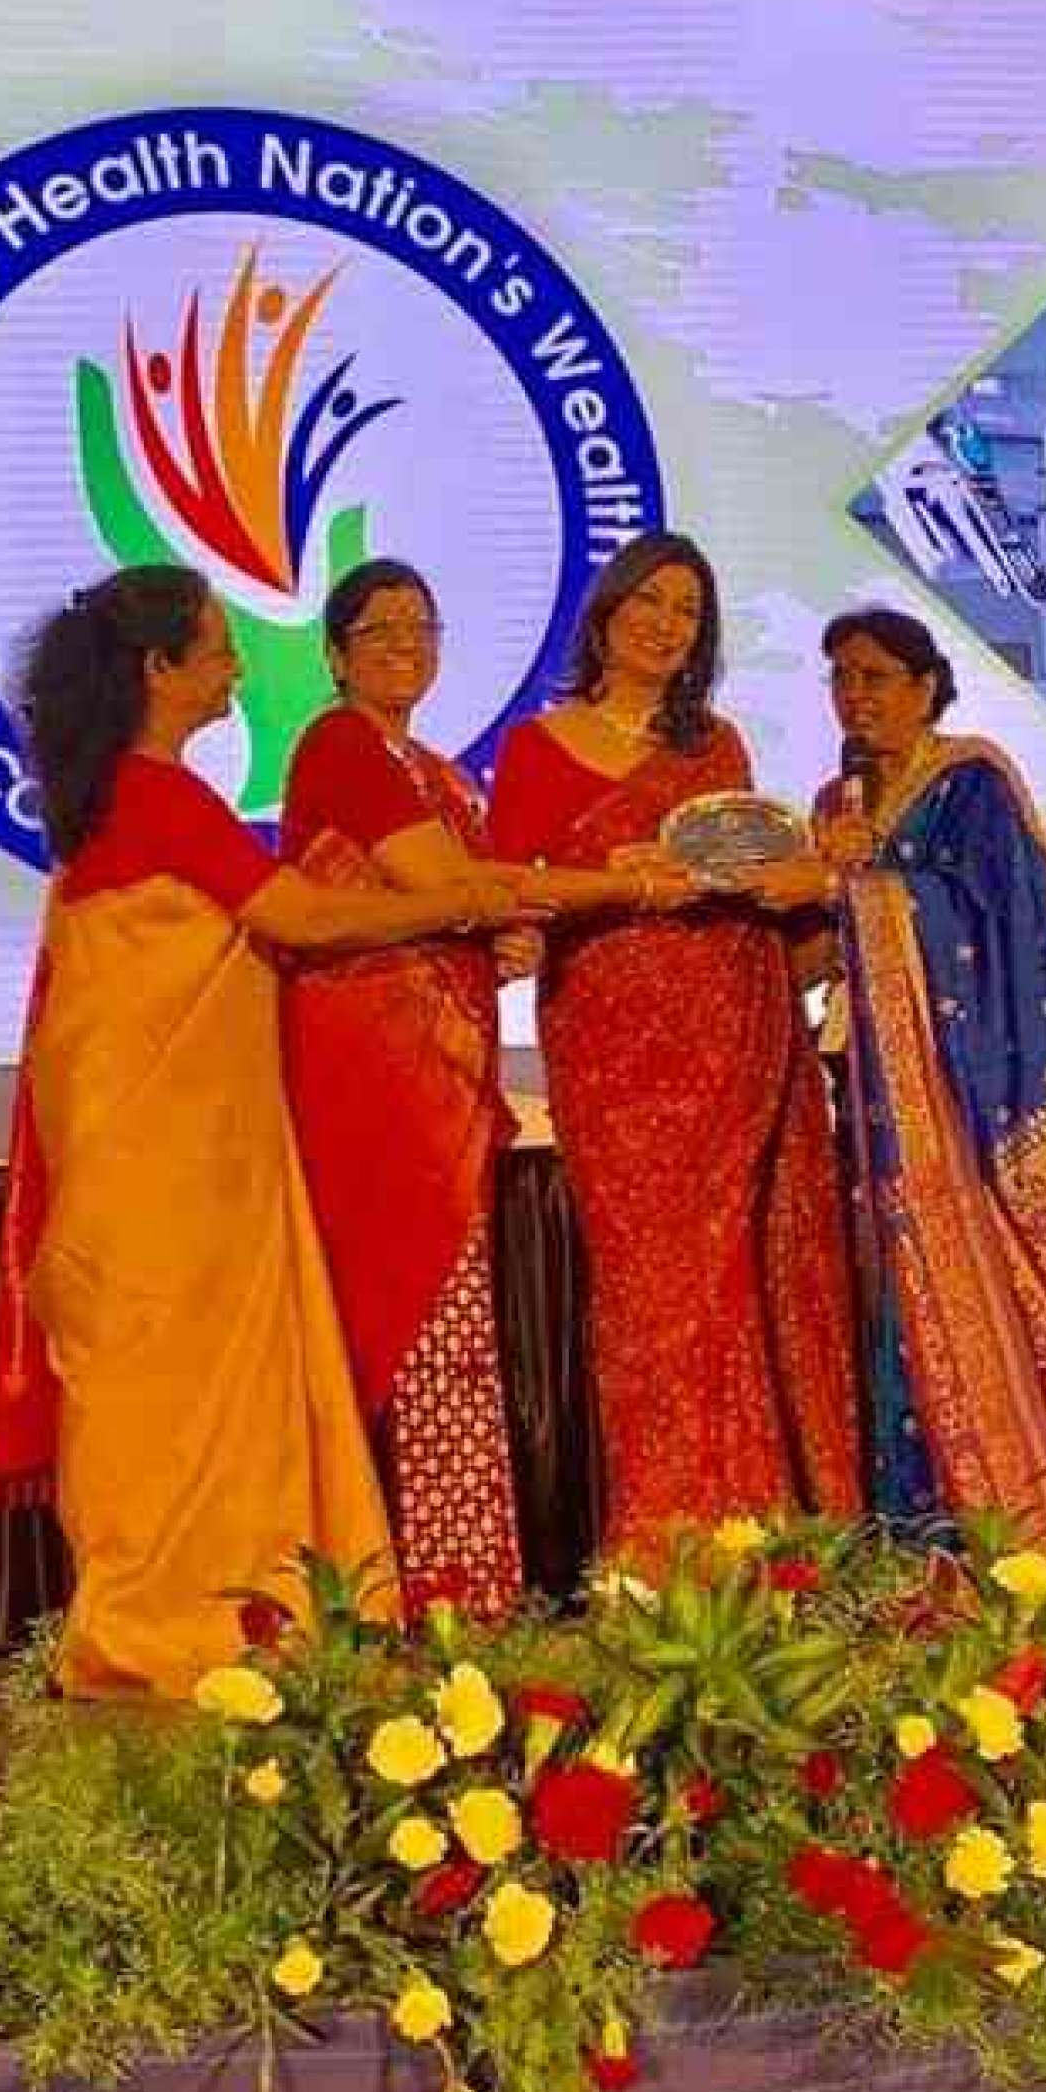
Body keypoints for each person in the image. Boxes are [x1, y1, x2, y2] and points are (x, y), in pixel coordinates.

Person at [0, 567, 523, 1698]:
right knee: (180, 1393)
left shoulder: (129, 796)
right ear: (158, 671)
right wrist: (466, 900)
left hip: (165, 1158)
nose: (234, 668)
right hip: (170, 1165)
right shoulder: (157, 798)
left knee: (171, 1390)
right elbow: (303, 920)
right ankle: (180, 1624)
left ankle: (201, 1609)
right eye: (219, 650)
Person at [281, 558, 689, 1619]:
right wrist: (624, 883)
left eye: (422, 627)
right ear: (334, 654)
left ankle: (460, 1589)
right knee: (400, 1310)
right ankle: (390, 1592)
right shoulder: (341, 744)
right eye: (379, 629)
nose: (404, 645)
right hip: (368, 1070)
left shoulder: (439, 772)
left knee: (449, 1327)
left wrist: (506, 936)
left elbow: (469, 905)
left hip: (439, 1067)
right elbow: (447, 888)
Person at [750, 605, 1046, 1571]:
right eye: (840, 678)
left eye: (875, 676)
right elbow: (826, 954)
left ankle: (1045, 1542)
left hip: (985, 1117)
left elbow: (1004, 922)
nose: (854, 696)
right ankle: (929, 1557)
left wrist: (848, 893)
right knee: (906, 1317)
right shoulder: (835, 803)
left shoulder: (971, 783)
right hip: (882, 1117)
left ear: (926, 687)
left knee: (1004, 1302)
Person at [489, 532, 862, 1567]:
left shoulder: (717, 747)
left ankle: (765, 1538)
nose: (666, 624)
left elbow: (742, 876)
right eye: (649, 601)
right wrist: (619, 876)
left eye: (688, 611)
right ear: (606, 611)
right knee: (651, 1290)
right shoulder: (538, 747)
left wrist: (812, 877)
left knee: (740, 1277)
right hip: (611, 1044)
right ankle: (666, 1550)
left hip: (734, 1026)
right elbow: (513, 886)